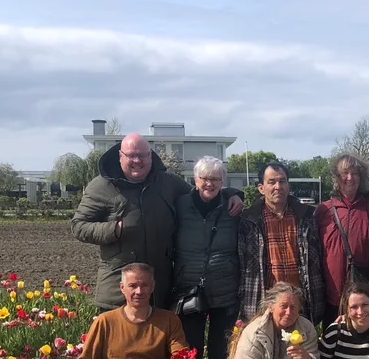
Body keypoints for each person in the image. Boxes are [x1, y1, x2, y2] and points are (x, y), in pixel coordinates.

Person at [71, 133, 242, 311]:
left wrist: (232, 194)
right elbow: (79, 226)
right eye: (131, 155)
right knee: (120, 338)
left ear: (150, 156)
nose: (137, 160)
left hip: (159, 288)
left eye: (142, 155)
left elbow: (202, 192)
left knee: (157, 338)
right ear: (121, 156)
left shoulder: (167, 182)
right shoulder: (101, 186)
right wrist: (115, 228)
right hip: (118, 288)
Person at [172, 156, 241, 359]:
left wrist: (236, 194)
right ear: (195, 179)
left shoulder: (233, 209)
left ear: (223, 182)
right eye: (204, 178)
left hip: (225, 289)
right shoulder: (180, 205)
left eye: (215, 179)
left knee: (221, 352)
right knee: (190, 352)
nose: (209, 184)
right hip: (189, 288)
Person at [238, 162, 325, 324]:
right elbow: (241, 265)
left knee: (299, 348)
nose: (278, 187)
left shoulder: (306, 217)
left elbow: (317, 259)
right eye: (271, 182)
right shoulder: (248, 220)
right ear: (261, 188)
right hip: (264, 302)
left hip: (300, 303)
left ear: (288, 185)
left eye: (282, 181)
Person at [315, 154, 369, 327]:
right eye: (345, 173)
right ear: (337, 177)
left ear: (362, 177)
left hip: (363, 296)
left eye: (355, 173)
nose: (350, 178)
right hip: (331, 296)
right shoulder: (324, 210)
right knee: (333, 346)